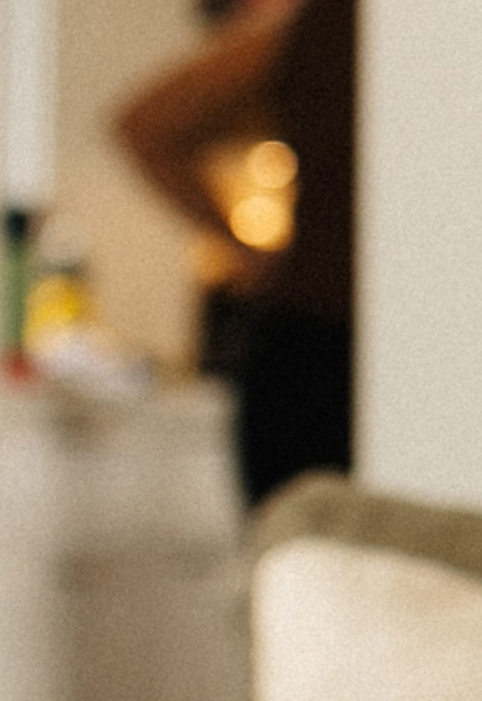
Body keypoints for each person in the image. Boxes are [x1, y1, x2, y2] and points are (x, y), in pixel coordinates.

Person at [116, 0, 357, 504]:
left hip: (313, 345)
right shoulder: (324, 24)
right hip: (318, 353)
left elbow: (147, 126)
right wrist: (248, 249)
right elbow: (146, 125)